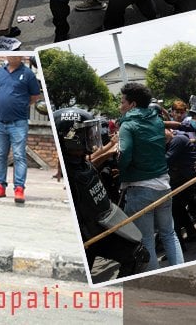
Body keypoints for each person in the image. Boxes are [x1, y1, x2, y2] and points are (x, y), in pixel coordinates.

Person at [55, 106, 147, 278]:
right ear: (71, 137)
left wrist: (111, 148)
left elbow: (93, 163)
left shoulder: (80, 162)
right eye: (85, 133)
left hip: (100, 225)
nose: (90, 137)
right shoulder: (69, 169)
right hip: (87, 235)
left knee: (137, 255)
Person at [116, 82, 183, 271]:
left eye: (122, 102)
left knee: (146, 240)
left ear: (132, 105)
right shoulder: (156, 121)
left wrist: (121, 168)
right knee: (169, 234)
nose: (120, 106)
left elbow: (125, 153)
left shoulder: (127, 125)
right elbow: (166, 138)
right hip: (163, 185)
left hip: (140, 189)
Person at [0, 56, 41, 203]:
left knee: (19, 155)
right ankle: (0, 185)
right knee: (0, 155)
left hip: (18, 122)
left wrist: (20, 104)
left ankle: (19, 188)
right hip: (0, 122)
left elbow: (35, 96)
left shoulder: (28, 74)